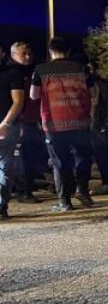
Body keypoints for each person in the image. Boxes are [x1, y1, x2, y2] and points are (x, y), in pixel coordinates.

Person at [30, 37, 94, 212]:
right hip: (81, 121)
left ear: (51, 51)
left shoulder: (41, 70)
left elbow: (34, 96)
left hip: (54, 124)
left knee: (60, 162)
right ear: (68, 51)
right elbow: (93, 92)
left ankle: (64, 202)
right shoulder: (81, 69)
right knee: (83, 157)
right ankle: (82, 190)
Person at [10, 42, 48, 203]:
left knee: (32, 157)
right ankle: (23, 191)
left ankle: (26, 188)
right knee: (23, 159)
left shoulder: (34, 71)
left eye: (29, 53)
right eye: (23, 54)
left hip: (34, 121)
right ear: (13, 55)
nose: (27, 57)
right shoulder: (12, 73)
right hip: (19, 122)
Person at [86, 61, 108, 193]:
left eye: (90, 69)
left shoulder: (103, 85)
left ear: (95, 70)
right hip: (88, 126)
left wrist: (107, 125)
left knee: (101, 154)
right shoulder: (83, 85)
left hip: (99, 126)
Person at [0, 57, 25, 220]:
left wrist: (5, 123)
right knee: (5, 167)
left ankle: (1, 205)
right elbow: (18, 101)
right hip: (8, 126)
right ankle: (1, 206)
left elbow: (18, 101)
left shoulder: (12, 73)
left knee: (5, 166)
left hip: (7, 126)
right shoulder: (13, 73)